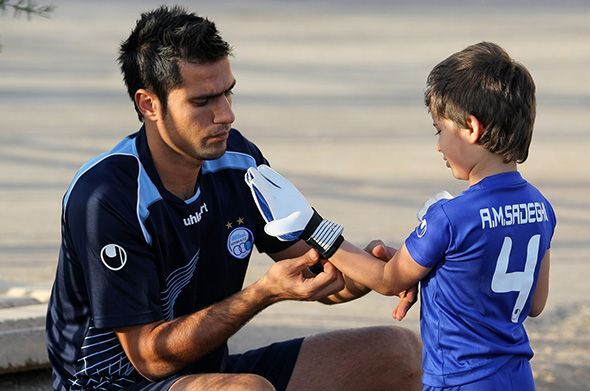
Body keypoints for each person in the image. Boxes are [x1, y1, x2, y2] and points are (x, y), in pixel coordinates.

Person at [45, 5, 422, 391]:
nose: (226, 114)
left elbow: (314, 273)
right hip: (112, 383)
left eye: (227, 93)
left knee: (398, 352)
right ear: (149, 104)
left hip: (205, 373)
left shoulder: (238, 161)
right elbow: (148, 358)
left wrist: (368, 268)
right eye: (203, 101)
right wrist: (263, 293)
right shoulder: (106, 195)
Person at [246, 42, 556, 390]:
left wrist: (315, 227)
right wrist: (437, 270)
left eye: (440, 130)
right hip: (516, 378)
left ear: (471, 128)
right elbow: (534, 303)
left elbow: (388, 279)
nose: (438, 145)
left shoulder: (450, 217)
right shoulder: (541, 207)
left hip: (458, 380)